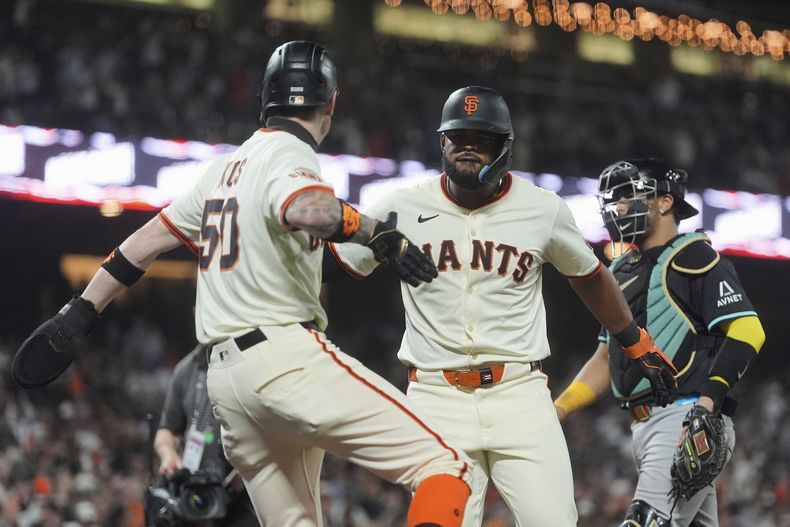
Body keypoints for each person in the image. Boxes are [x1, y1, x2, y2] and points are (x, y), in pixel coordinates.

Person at [14, 41, 474, 527]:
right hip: (284, 359)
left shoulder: (222, 169)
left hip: (226, 385)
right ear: (331, 103)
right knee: (446, 466)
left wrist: (80, 312)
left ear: (266, 100)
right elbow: (306, 208)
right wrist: (374, 231)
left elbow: (145, 243)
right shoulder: (291, 152)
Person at [324, 86, 676, 527]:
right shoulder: (400, 205)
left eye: (482, 138)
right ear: (441, 142)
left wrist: (633, 339)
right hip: (436, 396)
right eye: (458, 136)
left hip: (520, 395)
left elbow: (589, 277)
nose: (468, 147)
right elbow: (333, 266)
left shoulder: (541, 208)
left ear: (504, 148)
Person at [554, 159, 766, 526]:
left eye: (629, 196)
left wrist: (707, 401)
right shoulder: (620, 270)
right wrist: (559, 408)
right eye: (616, 199)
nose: (619, 207)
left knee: (645, 521)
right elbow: (605, 358)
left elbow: (748, 331)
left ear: (664, 202)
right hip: (644, 428)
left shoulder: (695, 258)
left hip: (685, 420)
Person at [154, 343, 258, 526]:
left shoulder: (250, 361)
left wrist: (245, 473)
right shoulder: (186, 369)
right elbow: (168, 429)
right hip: (193, 488)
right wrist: (168, 454)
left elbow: (268, 433)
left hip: (243, 494)